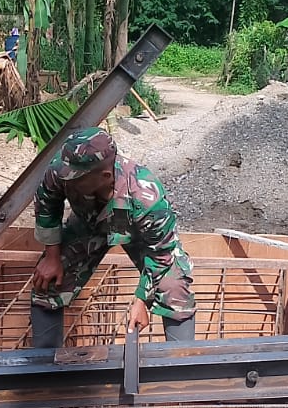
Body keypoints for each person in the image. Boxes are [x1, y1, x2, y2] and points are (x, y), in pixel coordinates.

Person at [31, 127, 196, 347]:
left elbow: (161, 256)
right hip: (88, 223)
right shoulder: (63, 169)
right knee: (49, 280)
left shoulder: (147, 197)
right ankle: (42, 367)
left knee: (174, 287)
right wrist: (51, 257)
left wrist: (141, 300)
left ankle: (181, 365)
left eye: (76, 179)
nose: (66, 181)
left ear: (105, 176)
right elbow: (46, 204)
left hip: (139, 232)